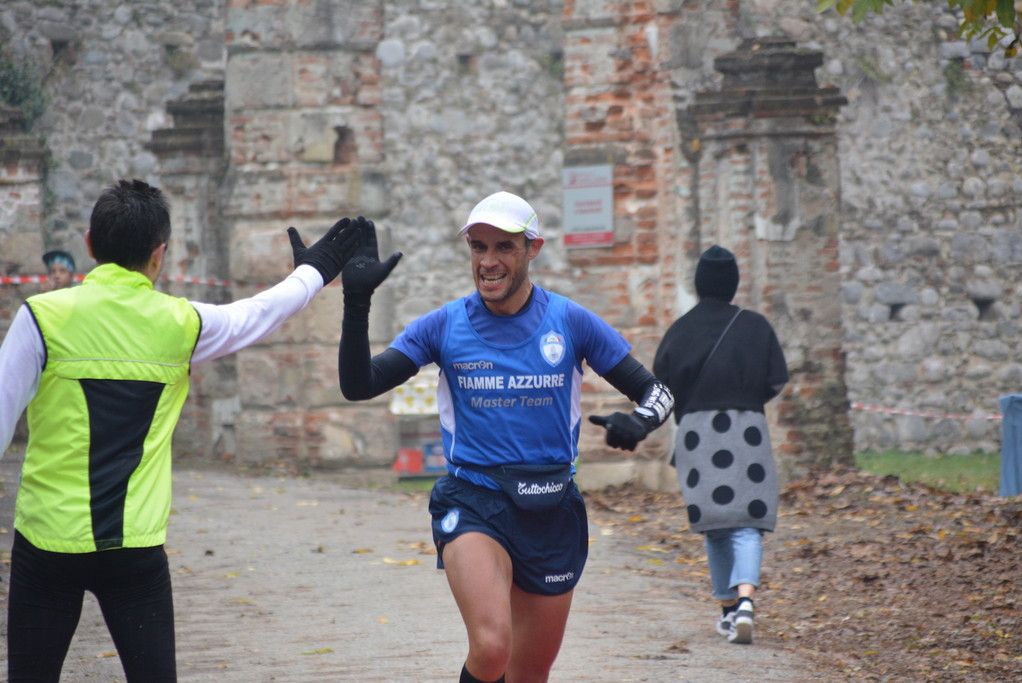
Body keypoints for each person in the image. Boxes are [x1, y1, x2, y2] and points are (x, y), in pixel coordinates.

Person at [0, 179, 361, 681]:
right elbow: (258, 314)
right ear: (160, 254)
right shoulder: (183, 323)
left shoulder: (40, 318)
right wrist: (314, 270)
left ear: (89, 244)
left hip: (46, 543)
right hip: (134, 548)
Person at [337, 191, 674, 682]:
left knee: (527, 675)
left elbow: (658, 392)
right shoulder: (444, 325)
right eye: (478, 247)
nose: (488, 262)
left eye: (504, 247)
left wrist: (639, 422)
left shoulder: (569, 320)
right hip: (474, 500)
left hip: (551, 507)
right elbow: (359, 384)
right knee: (492, 647)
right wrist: (356, 302)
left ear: (533, 248)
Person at [652, 245, 788, 645]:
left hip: (697, 434)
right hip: (747, 430)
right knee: (748, 522)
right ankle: (746, 601)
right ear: (733, 283)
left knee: (715, 526)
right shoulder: (756, 326)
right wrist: (745, 399)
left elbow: (662, 386)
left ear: (698, 283)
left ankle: (728, 610)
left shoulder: (680, 330)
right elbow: (775, 379)